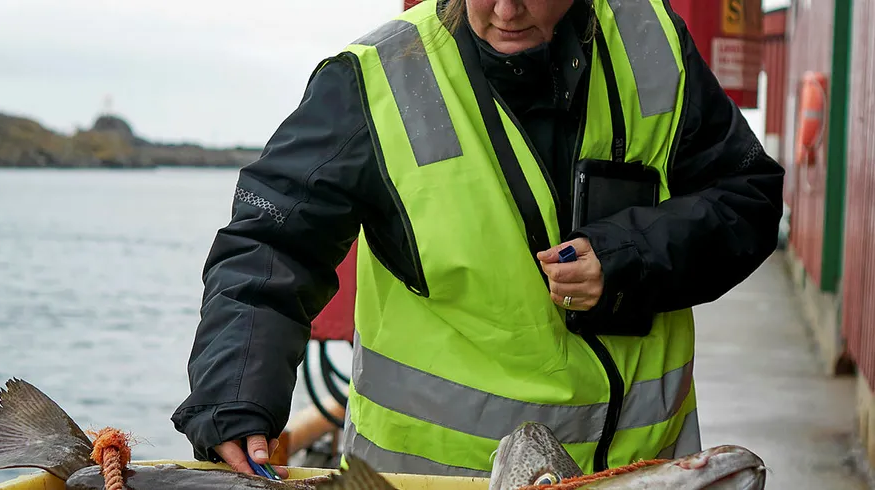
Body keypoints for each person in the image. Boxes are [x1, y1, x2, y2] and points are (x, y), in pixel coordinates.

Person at [171, 0, 784, 479]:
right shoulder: (373, 82)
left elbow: (747, 194)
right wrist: (234, 399)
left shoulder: (652, 40)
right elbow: (270, 246)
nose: (505, 11)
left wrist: (630, 258)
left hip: (645, 472)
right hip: (431, 481)